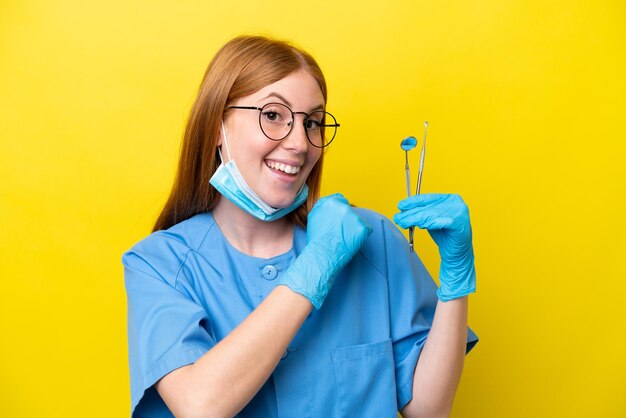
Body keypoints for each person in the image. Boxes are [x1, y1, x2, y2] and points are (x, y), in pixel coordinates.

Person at [123, 35, 478, 418]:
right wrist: (316, 266)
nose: (300, 143)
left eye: (313, 122)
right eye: (273, 115)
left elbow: (428, 410)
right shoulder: (158, 264)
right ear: (216, 129)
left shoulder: (373, 241)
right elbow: (200, 406)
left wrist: (455, 284)